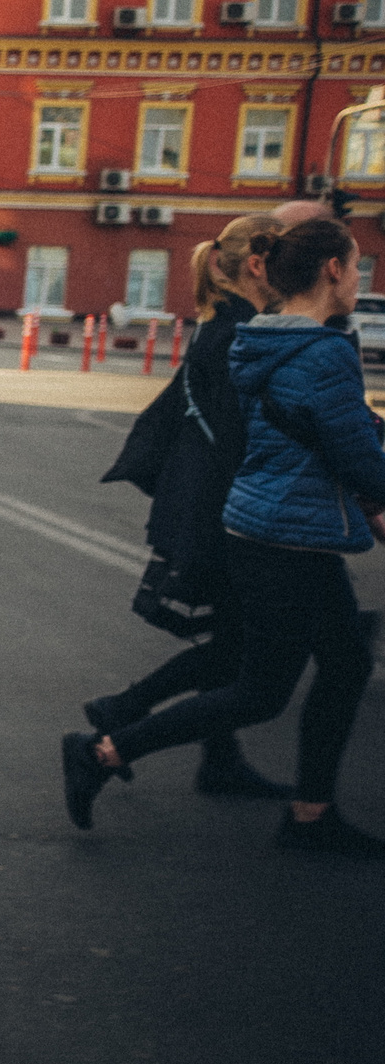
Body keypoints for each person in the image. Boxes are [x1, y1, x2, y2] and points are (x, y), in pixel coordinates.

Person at [63, 216, 385, 855]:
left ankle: (310, 815)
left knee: (341, 664)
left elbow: (332, 433)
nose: (359, 280)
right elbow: (357, 454)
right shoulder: (320, 351)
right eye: (356, 267)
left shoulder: (266, 337)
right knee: (261, 689)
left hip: (279, 528)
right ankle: (104, 750)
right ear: (331, 270)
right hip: (287, 537)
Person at [77, 216, 291, 801]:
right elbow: (241, 438)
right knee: (237, 653)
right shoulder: (236, 336)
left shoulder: (225, 327)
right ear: (257, 264)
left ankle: (212, 756)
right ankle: (123, 716)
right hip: (226, 516)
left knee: (231, 649)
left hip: (213, 511)